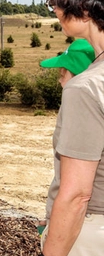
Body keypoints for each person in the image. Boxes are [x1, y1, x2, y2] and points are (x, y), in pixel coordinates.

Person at [22, 0, 104, 256]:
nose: (53, 10)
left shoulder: (86, 88)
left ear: (82, 7)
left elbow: (76, 194)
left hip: (91, 239)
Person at [35, 39, 96, 234]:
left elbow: (73, 187)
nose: (59, 80)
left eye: (63, 74)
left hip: (82, 223)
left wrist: (54, 223)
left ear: (80, 74)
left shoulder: (80, 107)